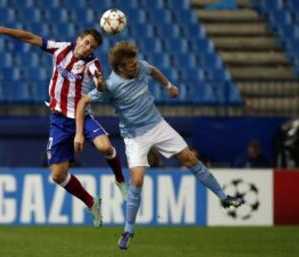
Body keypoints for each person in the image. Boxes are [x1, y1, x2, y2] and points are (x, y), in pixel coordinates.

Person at [74, 41, 244, 250]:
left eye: (135, 61)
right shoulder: (110, 85)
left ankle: (224, 197)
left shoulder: (140, 66)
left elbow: (153, 70)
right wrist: (80, 132)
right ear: (120, 68)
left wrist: (169, 85)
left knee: (190, 159)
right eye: (130, 64)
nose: (135, 65)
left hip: (158, 125)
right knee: (136, 180)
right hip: (135, 136)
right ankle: (128, 230)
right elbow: (82, 102)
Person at [0, 21, 128, 227]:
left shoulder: (92, 64)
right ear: (78, 39)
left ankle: (120, 179)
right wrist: (1, 30)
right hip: (58, 120)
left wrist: (101, 84)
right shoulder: (60, 48)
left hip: (81, 117)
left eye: (92, 47)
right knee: (58, 175)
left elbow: (98, 81)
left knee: (105, 146)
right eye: (86, 43)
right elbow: (30, 37)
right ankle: (91, 202)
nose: (88, 48)